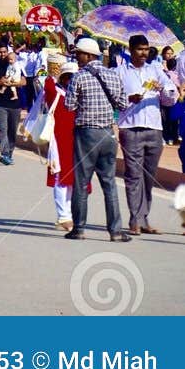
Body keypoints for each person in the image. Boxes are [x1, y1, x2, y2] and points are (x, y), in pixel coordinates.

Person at [63, 37, 131, 241]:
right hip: (108, 134)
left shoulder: (79, 77)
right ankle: (116, 231)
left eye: (78, 54)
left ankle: (79, 228)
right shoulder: (113, 75)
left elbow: (69, 106)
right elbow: (123, 104)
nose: (76, 57)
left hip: (87, 133)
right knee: (109, 183)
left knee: (81, 182)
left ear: (88, 55)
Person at [118, 32, 178, 234]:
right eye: (139, 49)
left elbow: (171, 99)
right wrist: (129, 99)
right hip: (130, 128)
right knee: (133, 175)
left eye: (146, 49)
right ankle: (134, 219)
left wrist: (164, 89)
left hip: (154, 129)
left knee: (148, 177)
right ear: (131, 50)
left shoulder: (156, 71)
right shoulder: (120, 72)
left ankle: (144, 219)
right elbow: (114, 99)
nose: (143, 53)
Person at [42, 55, 79, 230]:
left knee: (73, 179)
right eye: (68, 77)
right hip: (58, 140)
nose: (72, 81)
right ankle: (63, 216)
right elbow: (48, 83)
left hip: (77, 139)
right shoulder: (54, 93)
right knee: (59, 176)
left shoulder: (80, 96)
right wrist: (53, 68)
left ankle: (69, 214)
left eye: (75, 77)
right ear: (62, 78)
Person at [0, 40, 23, 165]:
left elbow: (24, 81)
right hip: (0, 104)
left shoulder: (15, 64)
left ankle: (9, 154)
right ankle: (5, 154)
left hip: (15, 104)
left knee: (12, 131)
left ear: (8, 52)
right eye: (0, 52)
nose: (2, 54)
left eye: (4, 52)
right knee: (2, 129)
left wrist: (13, 83)